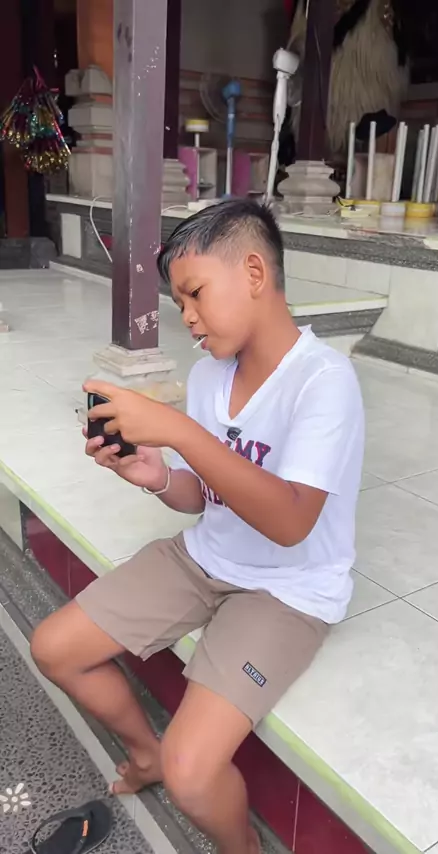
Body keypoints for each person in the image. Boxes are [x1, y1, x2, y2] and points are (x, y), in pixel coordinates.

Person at [31, 199, 364, 854]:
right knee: (54, 647)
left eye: (195, 294)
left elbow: (291, 522)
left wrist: (180, 431)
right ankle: (144, 753)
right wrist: (155, 475)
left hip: (287, 591)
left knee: (193, 774)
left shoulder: (325, 381)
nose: (185, 316)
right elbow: (201, 494)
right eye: (178, 301)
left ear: (254, 274)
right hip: (203, 557)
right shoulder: (212, 375)